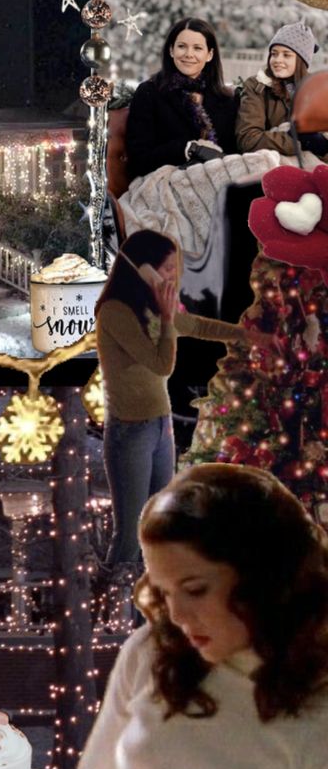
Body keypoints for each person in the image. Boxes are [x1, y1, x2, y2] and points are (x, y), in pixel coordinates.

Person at [70, 464, 328, 769]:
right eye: (164, 591)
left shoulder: (319, 712)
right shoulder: (151, 653)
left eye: (194, 590)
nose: (175, 614)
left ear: (264, 579)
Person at [96, 231, 273, 568]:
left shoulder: (152, 306)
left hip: (160, 428)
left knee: (158, 527)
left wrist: (246, 335)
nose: (173, 276)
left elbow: (196, 325)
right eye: (167, 268)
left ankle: (148, 608)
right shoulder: (115, 312)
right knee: (129, 534)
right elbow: (162, 364)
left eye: (176, 268)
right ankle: (113, 609)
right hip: (129, 433)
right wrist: (165, 319)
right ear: (142, 269)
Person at [126, 18, 237, 182]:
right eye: (181, 46)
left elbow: (233, 155)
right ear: (171, 50)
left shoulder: (226, 99)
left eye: (197, 48)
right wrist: (186, 149)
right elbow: (139, 159)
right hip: (165, 182)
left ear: (210, 54)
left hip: (216, 182)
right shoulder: (149, 93)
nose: (188, 54)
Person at [236, 21, 328, 161]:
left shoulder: (316, 91)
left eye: (286, 55)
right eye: (274, 54)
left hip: (310, 169)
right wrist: (297, 139)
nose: (277, 60)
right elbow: (248, 140)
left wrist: (321, 146)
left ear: (301, 61)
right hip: (267, 168)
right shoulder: (257, 86)